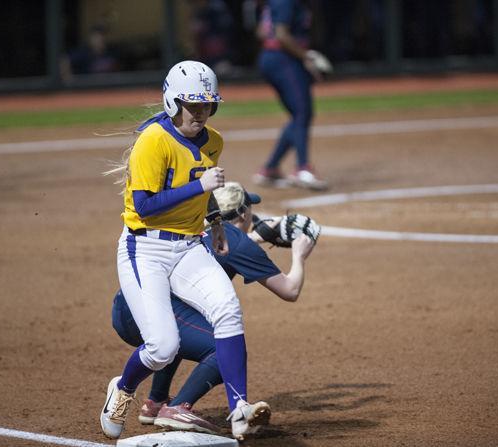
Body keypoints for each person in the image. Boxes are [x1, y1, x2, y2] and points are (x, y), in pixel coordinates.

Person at [100, 61, 270, 441]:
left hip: (190, 246)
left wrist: (215, 224)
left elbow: (202, 193)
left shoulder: (213, 141)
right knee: (162, 348)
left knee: (227, 311)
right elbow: (144, 206)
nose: (200, 113)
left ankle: (239, 409)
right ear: (172, 102)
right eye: (192, 105)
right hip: (144, 247)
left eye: (207, 105)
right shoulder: (153, 141)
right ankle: (124, 388)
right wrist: (201, 187)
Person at [111, 181, 317, 435]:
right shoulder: (239, 244)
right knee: (223, 346)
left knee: (182, 329)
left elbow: (223, 250)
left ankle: (156, 401)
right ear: (243, 214)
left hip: (129, 308)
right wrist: (299, 255)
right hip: (156, 314)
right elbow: (290, 290)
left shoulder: (193, 228)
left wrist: (254, 239)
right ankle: (178, 408)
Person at [253, 0, 331, 190]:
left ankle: (270, 169)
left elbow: (261, 32)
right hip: (282, 59)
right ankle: (302, 169)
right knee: (302, 112)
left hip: (276, 58)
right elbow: (281, 35)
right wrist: (306, 57)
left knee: (299, 115)